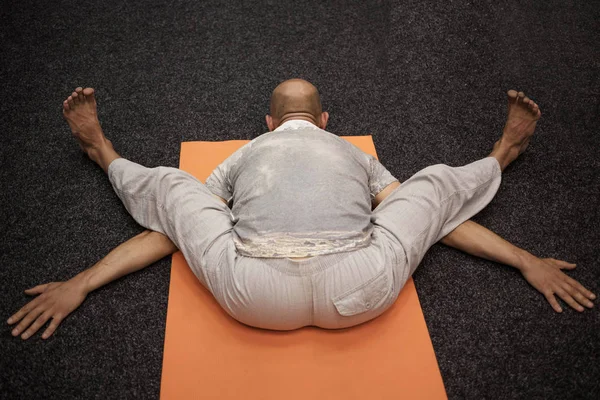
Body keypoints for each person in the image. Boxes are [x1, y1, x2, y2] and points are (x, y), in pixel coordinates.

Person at [7, 79, 596, 341]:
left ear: (268, 122)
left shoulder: (246, 154)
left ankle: (104, 152)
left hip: (254, 293)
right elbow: (434, 220)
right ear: (324, 122)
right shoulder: (351, 155)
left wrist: (79, 284)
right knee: (433, 186)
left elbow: (172, 231)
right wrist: (526, 261)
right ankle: (501, 155)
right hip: (360, 286)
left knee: (172, 189)